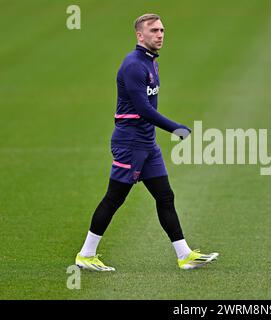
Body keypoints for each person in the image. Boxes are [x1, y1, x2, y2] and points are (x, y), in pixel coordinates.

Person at [75, 13, 218, 271]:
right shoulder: (133, 66)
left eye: (162, 30)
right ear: (140, 35)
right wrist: (175, 128)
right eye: (154, 31)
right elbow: (143, 109)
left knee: (165, 196)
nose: (160, 35)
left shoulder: (151, 63)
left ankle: (184, 255)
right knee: (114, 198)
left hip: (147, 144)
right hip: (130, 144)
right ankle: (86, 254)